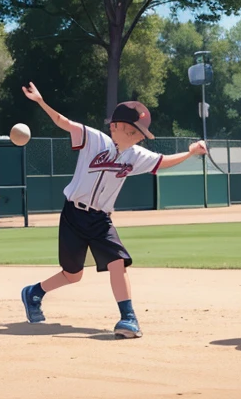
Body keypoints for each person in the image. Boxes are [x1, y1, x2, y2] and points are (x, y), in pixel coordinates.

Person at [18, 82, 207, 338]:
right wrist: (40, 102)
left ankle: (128, 318)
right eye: (133, 131)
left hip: (100, 219)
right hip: (73, 214)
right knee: (73, 275)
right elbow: (64, 122)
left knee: (118, 262)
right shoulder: (94, 139)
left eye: (140, 134)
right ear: (115, 126)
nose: (138, 136)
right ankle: (34, 292)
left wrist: (190, 152)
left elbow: (163, 161)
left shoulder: (135, 155)